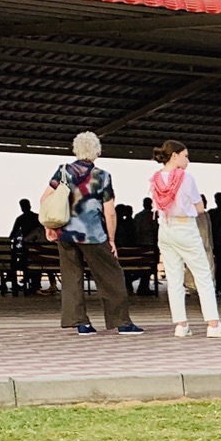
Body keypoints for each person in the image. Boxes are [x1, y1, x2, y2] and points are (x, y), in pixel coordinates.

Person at [44, 132, 143, 336]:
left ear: (76, 149)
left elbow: (46, 198)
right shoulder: (102, 176)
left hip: (65, 233)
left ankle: (80, 323)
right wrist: (112, 239)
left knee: (72, 277)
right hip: (93, 234)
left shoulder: (63, 171)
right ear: (96, 151)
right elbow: (109, 211)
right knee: (111, 275)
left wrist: (50, 226)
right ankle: (121, 322)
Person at [151, 140, 221, 339]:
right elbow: (199, 207)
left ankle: (181, 325)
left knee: (174, 278)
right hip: (184, 227)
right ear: (175, 156)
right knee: (203, 275)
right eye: (185, 155)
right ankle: (213, 325)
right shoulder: (185, 178)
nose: (188, 159)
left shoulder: (154, 178)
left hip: (165, 228)